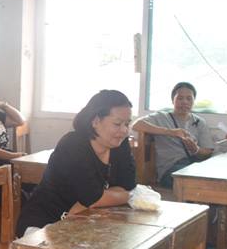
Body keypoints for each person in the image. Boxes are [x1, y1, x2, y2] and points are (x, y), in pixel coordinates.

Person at [16, 90, 137, 235]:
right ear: (95, 121)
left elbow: (128, 184)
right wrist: (128, 196)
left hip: (82, 221)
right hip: (43, 223)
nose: (124, 131)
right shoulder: (73, 144)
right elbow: (94, 198)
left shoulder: (120, 144)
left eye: (127, 124)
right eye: (117, 124)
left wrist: (88, 203)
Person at [133, 82, 215, 188]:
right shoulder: (161, 117)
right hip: (170, 169)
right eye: (180, 98)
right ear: (173, 100)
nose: (184, 102)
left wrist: (196, 150)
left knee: (212, 178)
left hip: (193, 164)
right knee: (194, 181)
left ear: (193, 101)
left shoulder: (199, 122)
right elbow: (136, 125)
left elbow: (207, 151)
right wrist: (171, 132)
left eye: (189, 98)